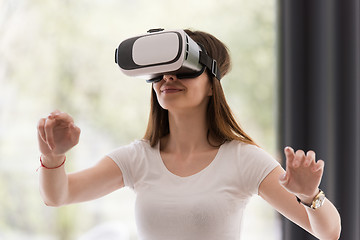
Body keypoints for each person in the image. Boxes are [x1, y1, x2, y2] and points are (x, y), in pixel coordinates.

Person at [37, 29, 341, 240]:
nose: (168, 77)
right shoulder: (137, 158)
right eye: (160, 70)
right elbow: (58, 195)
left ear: (212, 83)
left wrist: (309, 196)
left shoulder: (243, 159)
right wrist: (53, 155)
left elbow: (328, 232)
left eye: (183, 68)